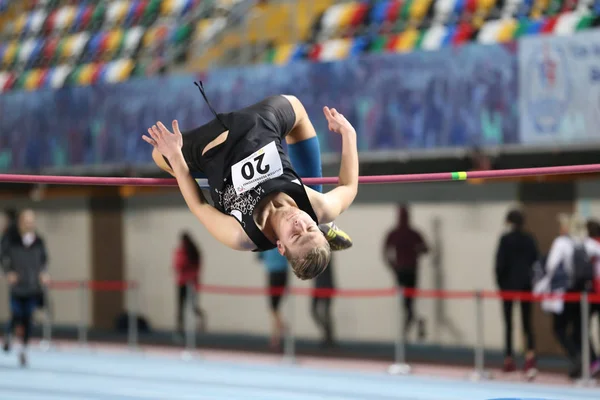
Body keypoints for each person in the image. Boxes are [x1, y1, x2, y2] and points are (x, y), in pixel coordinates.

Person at [143, 85, 357, 280]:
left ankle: (191, 166)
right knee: (296, 107)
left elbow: (200, 207)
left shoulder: (241, 235)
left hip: (210, 148)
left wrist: (177, 160)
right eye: (310, 228)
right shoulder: (317, 207)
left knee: (158, 155)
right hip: (260, 123)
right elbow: (348, 187)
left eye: (295, 235)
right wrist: (349, 134)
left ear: (280, 247)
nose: (299, 223)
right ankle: (321, 227)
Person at [534, 214, 600, 379]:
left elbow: (551, 266)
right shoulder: (586, 242)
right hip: (583, 292)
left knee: (560, 329)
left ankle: (578, 359)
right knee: (579, 330)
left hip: (566, 293)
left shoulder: (561, 242)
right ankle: (592, 361)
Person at [1, 209, 49, 367]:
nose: (29, 224)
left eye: (31, 221)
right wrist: (9, 272)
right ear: (20, 221)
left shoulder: (39, 241)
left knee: (28, 318)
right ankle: (8, 335)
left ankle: (23, 349)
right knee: (16, 314)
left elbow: (44, 260)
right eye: (26, 220)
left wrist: (43, 273)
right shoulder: (11, 239)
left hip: (33, 285)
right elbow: (3, 256)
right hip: (17, 285)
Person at [494, 209, 539, 378]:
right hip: (526, 285)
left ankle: (508, 359)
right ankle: (530, 358)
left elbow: (499, 264)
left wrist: (501, 284)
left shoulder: (505, 240)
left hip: (508, 286)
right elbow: (536, 261)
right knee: (527, 323)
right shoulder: (529, 239)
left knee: (508, 324)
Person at [383, 205, 428, 339]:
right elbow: (426, 249)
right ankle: (411, 327)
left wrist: (393, 266)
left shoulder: (406, 233)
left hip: (407, 271)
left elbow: (425, 248)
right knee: (408, 303)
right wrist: (393, 266)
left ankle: (407, 331)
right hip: (404, 271)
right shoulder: (404, 233)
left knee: (408, 303)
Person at [173, 231, 205, 339]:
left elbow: (179, 265)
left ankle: (194, 327)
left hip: (188, 283)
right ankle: (180, 330)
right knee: (183, 308)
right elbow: (177, 265)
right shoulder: (183, 251)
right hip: (185, 282)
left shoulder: (190, 252)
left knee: (191, 307)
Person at [258, 248, 289, 350]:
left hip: (274, 273)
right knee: (275, 308)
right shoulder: (282, 239)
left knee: (273, 308)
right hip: (283, 273)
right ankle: (275, 338)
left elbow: (259, 257)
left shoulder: (268, 241)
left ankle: (282, 328)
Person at [585, 218, 600, 376]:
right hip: (595, 291)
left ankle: (594, 360)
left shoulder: (590, 245)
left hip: (595, 292)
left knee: (583, 327)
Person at [311, 253, 335, 348]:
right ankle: (327, 334)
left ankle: (329, 337)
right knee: (315, 311)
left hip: (326, 285)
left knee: (325, 312)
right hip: (318, 286)